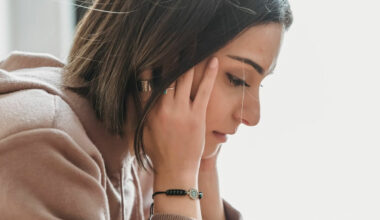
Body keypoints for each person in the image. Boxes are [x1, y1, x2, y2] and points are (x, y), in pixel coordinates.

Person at [0, 0, 293, 219]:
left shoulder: (146, 156)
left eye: (259, 85)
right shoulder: (43, 145)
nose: (252, 116)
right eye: (238, 79)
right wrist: (178, 188)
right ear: (166, 55)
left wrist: (202, 168)